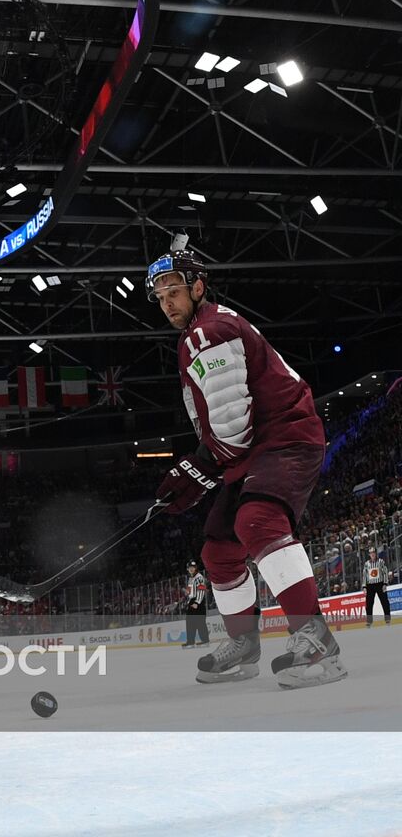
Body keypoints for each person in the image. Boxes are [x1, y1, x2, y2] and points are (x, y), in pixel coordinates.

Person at [147, 247, 345, 689]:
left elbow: (232, 427)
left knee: (257, 520)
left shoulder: (208, 332)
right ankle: (245, 648)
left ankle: (318, 645)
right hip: (257, 447)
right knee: (219, 548)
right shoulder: (200, 331)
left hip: (284, 436)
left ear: (198, 287)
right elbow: (225, 429)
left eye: (174, 291)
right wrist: (200, 469)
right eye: (160, 297)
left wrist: (197, 468)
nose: (167, 304)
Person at [182, 559, 209, 648]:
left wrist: (197, 602)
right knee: (190, 622)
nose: (191, 569)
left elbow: (201, 590)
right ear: (187, 569)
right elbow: (190, 591)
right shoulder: (191, 579)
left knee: (200, 622)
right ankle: (190, 642)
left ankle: (205, 641)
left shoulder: (199, 577)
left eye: (193, 567)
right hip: (192, 601)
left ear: (196, 568)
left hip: (198, 601)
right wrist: (186, 592)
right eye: (190, 567)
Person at [362, 546, 391, 626]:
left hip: (380, 584)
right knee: (369, 604)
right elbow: (364, 575)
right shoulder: (366, 564)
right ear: (369, 554)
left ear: (376, 553)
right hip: (370, 586)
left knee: (385, 602)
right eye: (371, 553)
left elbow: (385, 572)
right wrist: (364, 586)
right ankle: (369, 621)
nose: (372, 554)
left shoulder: (381, 561)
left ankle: (387, 619)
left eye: (373, 553)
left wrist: (385, 583)